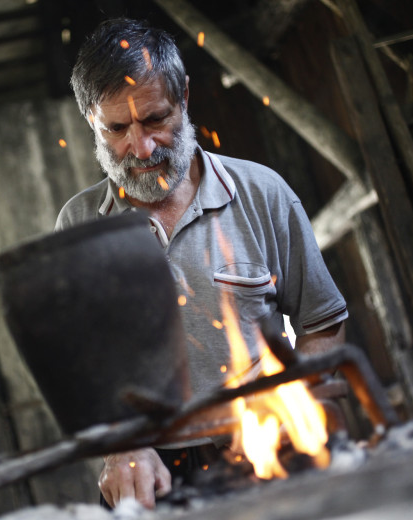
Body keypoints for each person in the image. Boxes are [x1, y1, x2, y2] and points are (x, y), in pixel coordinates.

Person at [55, 18, 348, 509]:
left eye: (154, 119)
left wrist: (287, 405)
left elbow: (323, 324)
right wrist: (122, 446)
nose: (141, 148)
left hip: (269, 450)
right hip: (151, 476)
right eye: (117, 129)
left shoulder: (263, 194)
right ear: (91, 120)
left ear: (184, 98)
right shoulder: (79, 225)